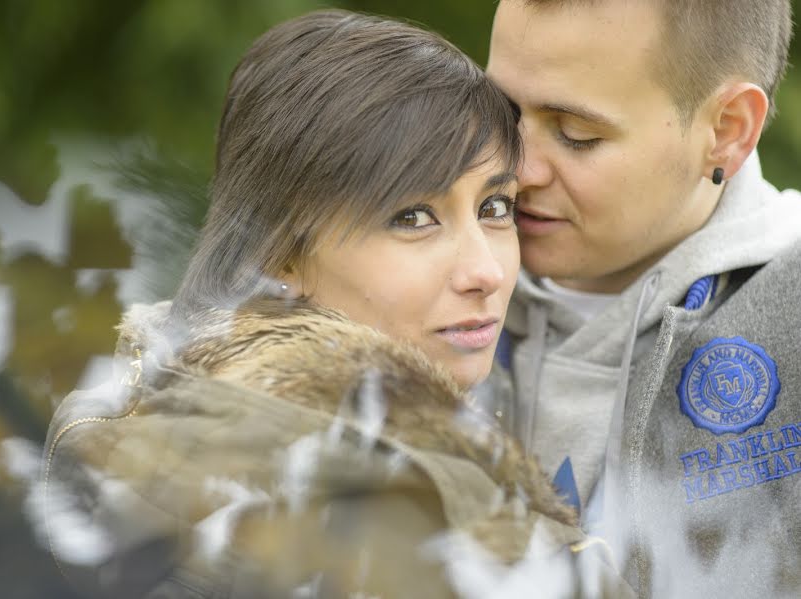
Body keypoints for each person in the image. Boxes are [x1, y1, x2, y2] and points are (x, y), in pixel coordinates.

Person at [43, 10, 624, 599]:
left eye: (495, 207)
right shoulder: (388, 517)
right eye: (413, 218)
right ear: (279, 255)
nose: (486, 272)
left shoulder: (186, 428)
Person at [486, 1, 801, 597]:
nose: (516, 170)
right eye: (499, 114)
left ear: (727, 130)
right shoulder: (382, 282)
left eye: (576, 134)